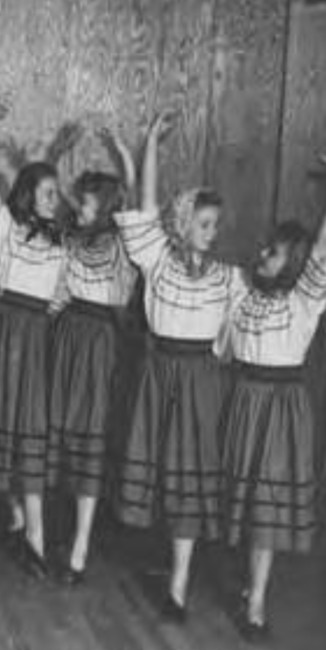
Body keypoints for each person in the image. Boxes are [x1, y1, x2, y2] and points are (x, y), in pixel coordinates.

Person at [113, 111, 245, 621]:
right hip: (158, 374)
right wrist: (150, 143)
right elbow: (144, 208)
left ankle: (180, 583)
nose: (213, 233)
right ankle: (163, 563)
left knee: (190, 473)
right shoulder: (158, 260)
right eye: (205, 224)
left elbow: (244, 329)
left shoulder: (229, 278)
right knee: (158, 471)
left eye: (216, 226)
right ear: (184, 223)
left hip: (200, 381)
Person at [220, 156, 326, 639]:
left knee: (267, 508)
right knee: (245, 501)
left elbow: (324, 246)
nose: (261, 257)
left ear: (291, 262)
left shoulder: (304, 301)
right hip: (245, 402)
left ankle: (258, 602)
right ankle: (247, 583)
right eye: (263, 250)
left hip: (281, 408)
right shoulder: (246, 296)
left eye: (272, 254)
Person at [0, 97, 69, 579]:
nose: (54, 198)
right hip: (2, 338)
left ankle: (36, 539)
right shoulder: (4, 232)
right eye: (47, 191)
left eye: (56, 192)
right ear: (28, 194)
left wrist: (50, 312)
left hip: (36, 341)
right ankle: (21, 519)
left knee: (32, 435)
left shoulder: (61, 243)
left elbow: (64, 293)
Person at [45, 147, 139, 584]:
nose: (75, 206)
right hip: (67, 339)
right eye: (78, 200)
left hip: (100, 344)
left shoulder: (123, 249)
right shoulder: (70, 243)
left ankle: (81, 546)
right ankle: (56, 532)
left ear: (105, 209)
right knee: (61, 437)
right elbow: (57, 296)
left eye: (85, 201)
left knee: (90, 443)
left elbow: (137, 210)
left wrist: (126, 159)